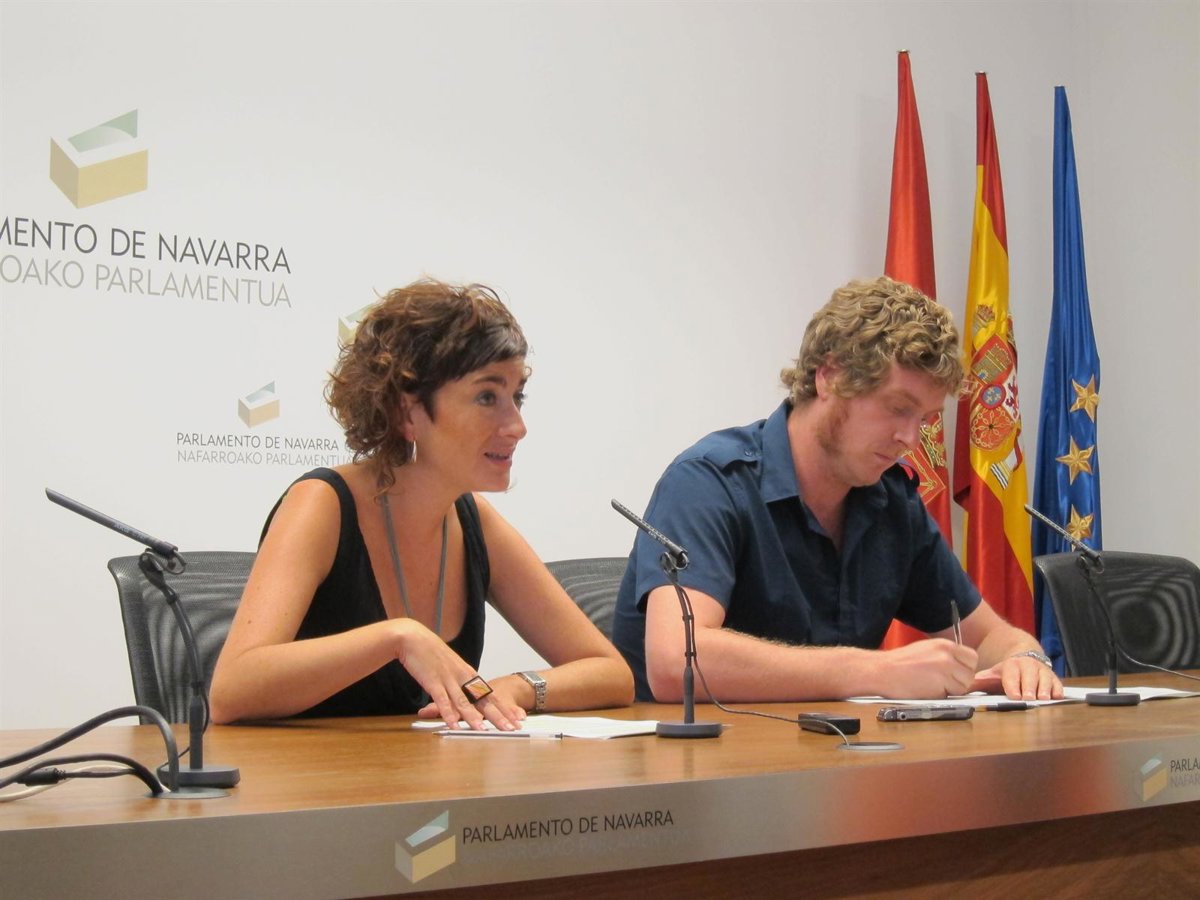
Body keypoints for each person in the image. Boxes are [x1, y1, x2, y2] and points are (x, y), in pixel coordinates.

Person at [611, 276, 1063, 704]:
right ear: (829, 376)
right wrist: (876, 671)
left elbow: (989, 638)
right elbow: (676, 661)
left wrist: (1024, 657)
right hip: (697, 757)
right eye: (898, 408)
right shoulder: (708, 482)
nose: (911, 439)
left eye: (925, 419)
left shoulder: (891, 501)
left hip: (834, 753)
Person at [210, 279, 633, 729]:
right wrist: (397, 638)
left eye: (517, 396)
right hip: (305, 773)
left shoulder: (473, 520)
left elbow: (612, 674)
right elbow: (231, 691)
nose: (517, 426)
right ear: (407, 411)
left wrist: (517, 687)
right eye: (487, 397)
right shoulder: (322, 504)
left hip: (421, 774)